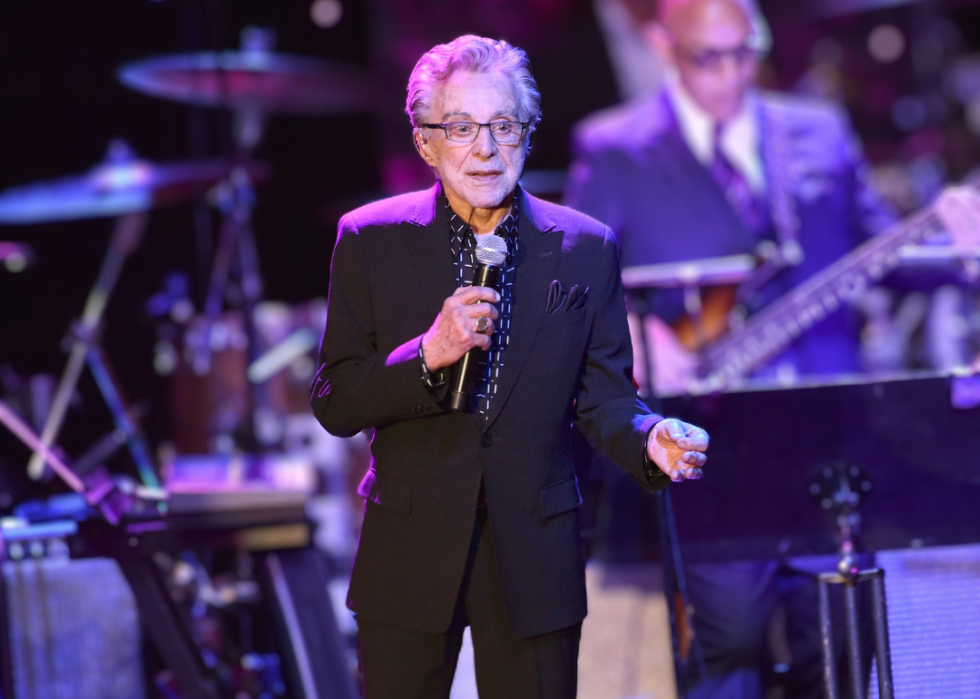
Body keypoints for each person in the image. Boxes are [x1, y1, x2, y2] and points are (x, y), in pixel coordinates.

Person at [311, 35, 709, 699]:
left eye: (503, 126)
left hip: (536, 553)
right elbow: (335, 398)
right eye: (461, 128)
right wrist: (426, 354)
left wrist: (650, 437)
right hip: (409, 550)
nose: (485, 149)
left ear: (528, 133)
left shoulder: (584, 248)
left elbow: (607, 401)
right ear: (426, 142)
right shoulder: (370, 240)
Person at [564, 0, 896, 697]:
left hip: (826, 429)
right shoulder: (614, 146)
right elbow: (573, 284)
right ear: (663, 45)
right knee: (727, 640)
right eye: (706, 57)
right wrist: (641, 330)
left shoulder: (819, 130)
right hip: (710, 436)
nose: (729, 74)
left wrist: (953, 235)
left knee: (837, 638)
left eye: (743, 52)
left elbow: (884, 244)